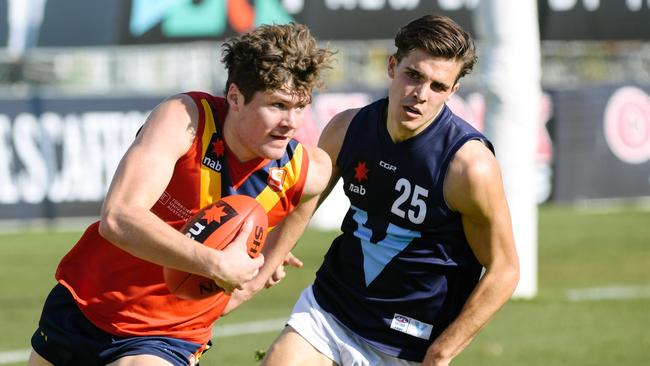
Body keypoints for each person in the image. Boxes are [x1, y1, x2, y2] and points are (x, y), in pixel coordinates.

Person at [28, 22, 334, 366]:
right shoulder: (186, 118)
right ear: (235, 97)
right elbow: (118, 217)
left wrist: (218, 299)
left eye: (300, 106)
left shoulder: (308, 174)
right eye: (278, 105)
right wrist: (217, 264)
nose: (291, 122)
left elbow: (259, 272)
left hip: (168, 336)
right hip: (85, 301)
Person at [262, 14, 520, 366]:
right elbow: (302, 203)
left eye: (438, 86)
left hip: (407, 343)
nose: (420, 95)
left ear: (453, 91)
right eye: (413, 75)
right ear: (393, 65)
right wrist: (272, 248)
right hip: (329, 310)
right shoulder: (346, 129)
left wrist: (442, 353)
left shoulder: (468, 167)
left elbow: (504, 269)